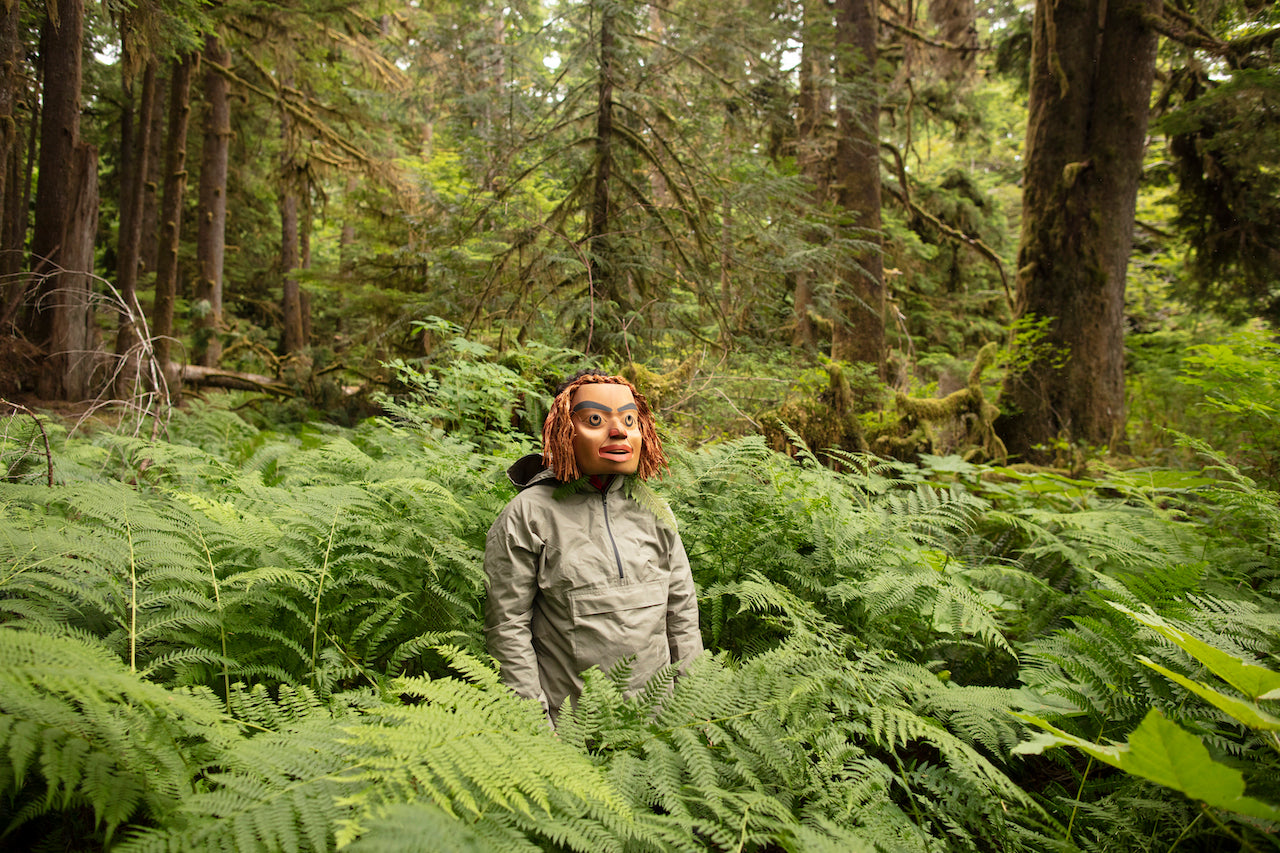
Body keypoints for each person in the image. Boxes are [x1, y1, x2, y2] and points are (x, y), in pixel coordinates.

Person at [483, 369, 703, 723]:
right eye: (596, 419)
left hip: (660, 728)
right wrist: (536, 727)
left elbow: (682, 617)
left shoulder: (654, 511)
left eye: (629, 420)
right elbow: (507, 628)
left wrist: (696, 708)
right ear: (563, 430)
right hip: (574, 731)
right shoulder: (527, 516)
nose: (618, 431)